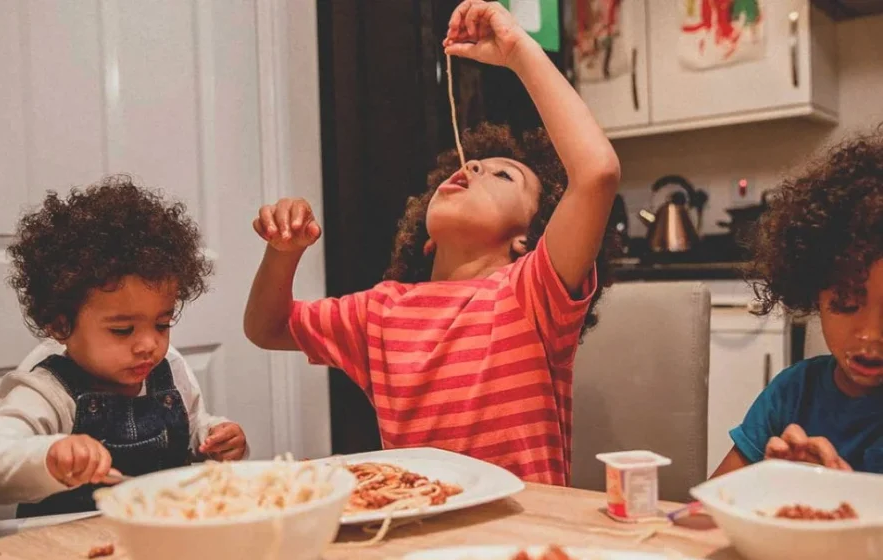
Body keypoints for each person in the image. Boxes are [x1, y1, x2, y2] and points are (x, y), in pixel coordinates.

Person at [244, 0, 620, 486]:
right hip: (417, 531)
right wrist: (283, 253)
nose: (476, 166)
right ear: (425, 239)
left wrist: (517, 51)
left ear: (529, 239)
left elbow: (597, 172)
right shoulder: (378, 314)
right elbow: (266, 327)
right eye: (474, 165)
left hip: (522, 534)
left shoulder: (532, 295)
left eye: (503, 175)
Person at [0, 176, 248, 516]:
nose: (150, 345)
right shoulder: (46, 393)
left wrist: (214, 436)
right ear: (59, 324)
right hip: (70, 552)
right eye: (123, 330)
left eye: (162, 324)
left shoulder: (170, 371)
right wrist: (49, 457)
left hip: (163, 539)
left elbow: (195, 426)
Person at [712, 131, 883, 477]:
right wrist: (768, 484)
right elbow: (709, 506)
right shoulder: (792, 393)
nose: (870, 334)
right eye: (846, 303)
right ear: (813, 292)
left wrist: (849, 500)